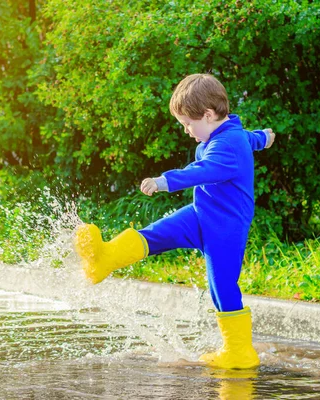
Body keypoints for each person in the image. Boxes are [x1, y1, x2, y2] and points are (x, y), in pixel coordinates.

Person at [75, 73, 275, 369]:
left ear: (208, 115)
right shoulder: (227, 134)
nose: (186, 130)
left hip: (226, 228)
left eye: (188, 124)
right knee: (156, 234)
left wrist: (164, 180)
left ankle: (239, 351)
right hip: (200, 214)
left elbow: (203, 171)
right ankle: (104, 258)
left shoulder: (228, 144)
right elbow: (251, 137)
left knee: (221, 286)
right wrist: (265, 138)